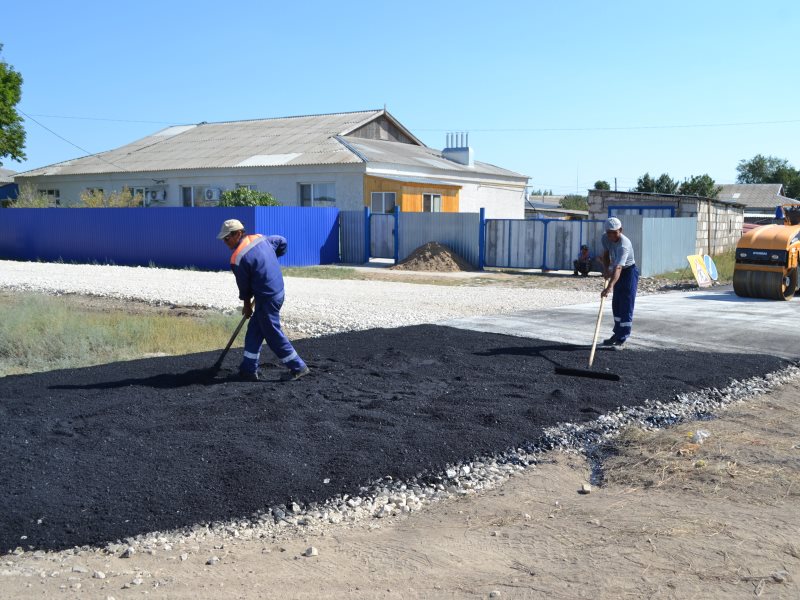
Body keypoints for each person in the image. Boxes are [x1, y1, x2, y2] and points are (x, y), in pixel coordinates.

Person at [217, 219, 310, 381]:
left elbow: (244, 288)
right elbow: (281, 241)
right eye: (224, 239)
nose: (225, 242)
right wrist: (272, 258)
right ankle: (248, 368)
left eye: (227, 238)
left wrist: (247, 306)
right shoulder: (260, 238)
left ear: (238, 233)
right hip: (276, 292)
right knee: (254, 330)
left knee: (272, 333)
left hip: (268, 298)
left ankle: (298, 367)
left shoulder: (238, 258)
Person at [600, 217, 638, 349]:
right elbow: (605, 255)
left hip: (628, 272)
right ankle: (616, 334)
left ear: (620, 230)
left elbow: (618, 268)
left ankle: (622, 339)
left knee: (626, 305)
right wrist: (605, 269)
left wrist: (610, 286)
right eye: (608, 232)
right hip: (617, 270)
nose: (611, 236)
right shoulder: (605, 238)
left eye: (614, 232)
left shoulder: (624, 244)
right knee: (616, 303)